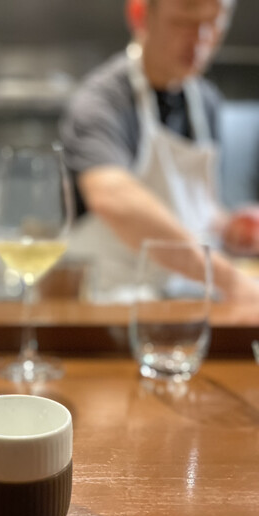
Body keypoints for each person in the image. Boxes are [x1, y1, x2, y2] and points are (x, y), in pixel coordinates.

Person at [60, 0, 259, 301]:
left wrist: (228, 226)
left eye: (213, 24)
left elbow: (194, 208)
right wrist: (228, 279)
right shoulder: (102, 101)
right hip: (109, 301)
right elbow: (113, 198)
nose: (200, 39)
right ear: (140, 14)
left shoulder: (205, 101)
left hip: (184, 300)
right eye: (183, 22)